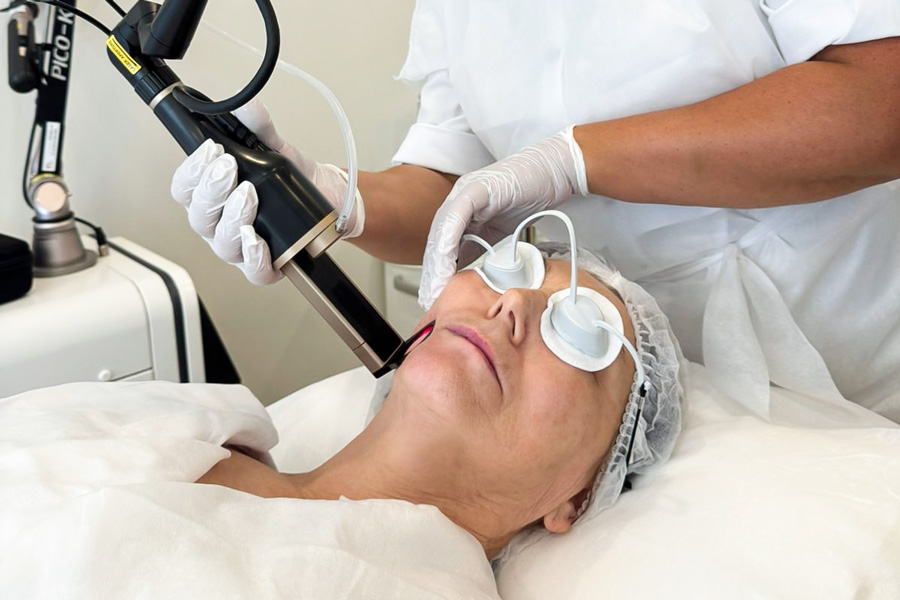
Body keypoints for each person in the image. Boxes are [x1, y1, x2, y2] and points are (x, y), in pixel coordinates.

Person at [171, 1, 900, 421]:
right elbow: (448, 186)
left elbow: (881, 99)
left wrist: (578, 159)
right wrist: (335, 199)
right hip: (604, 397)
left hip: (838, 362)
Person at [194, 247, 683, 559]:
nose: (515, 299)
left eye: (582, 331)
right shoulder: (194, 432)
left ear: (579, 497)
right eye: (506, 267)